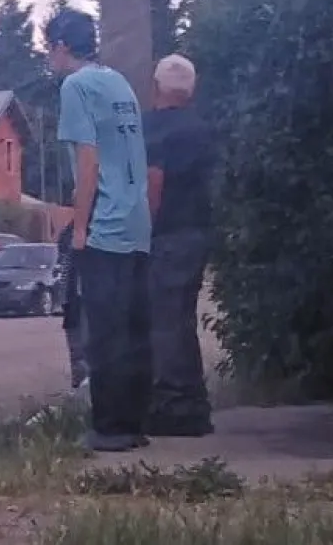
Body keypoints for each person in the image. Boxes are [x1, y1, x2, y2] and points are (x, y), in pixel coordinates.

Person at [45, 6, 153, 452]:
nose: (48, 58)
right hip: (136, 218)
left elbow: (87, 163)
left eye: (48, 48)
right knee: (133, 327)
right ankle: (134, 422)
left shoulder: (76, 86)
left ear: (61, 47)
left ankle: (109, 428)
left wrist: (80, 226)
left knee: (103, 330)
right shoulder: (118, 82)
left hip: (105, 222)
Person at [143, 54, 216, 436]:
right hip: (196, 233)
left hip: (166, 235)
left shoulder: (153, 128)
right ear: (192, 89)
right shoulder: (200, 129)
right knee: (181, 320)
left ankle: (173, 408)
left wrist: (145, 230)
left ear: (156, 88)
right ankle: (193, 405)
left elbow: (154, 180)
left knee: (165, 323)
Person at [57, 219, 88, 391]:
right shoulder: (73, 231)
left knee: (82, 350)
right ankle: (79, 389)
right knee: (78, 350)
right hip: (74, 300)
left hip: (82, 300)